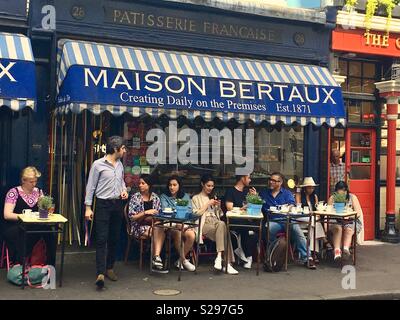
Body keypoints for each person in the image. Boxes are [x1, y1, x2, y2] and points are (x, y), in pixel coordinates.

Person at [85, 136, 129, 289]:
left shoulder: (120, 165)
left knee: (114, 237)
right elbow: (90, 186)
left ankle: (110, 267)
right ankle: (100, 273)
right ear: (116, 149)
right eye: (123, 148)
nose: (124, 150)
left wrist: (124, 191)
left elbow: (122, 181)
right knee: (101, 238)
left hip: (117, 204)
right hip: (103, 204)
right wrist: (88, 207)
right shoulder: (98, 165)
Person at [1, 166, 56, 266]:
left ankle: (49, 264)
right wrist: (24, 216)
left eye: (35, 181)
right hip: (15, 225)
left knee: (50, 231)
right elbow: (7, 214)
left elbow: (44, 209)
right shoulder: (14, 192)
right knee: (23, 232)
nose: (34, 184)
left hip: (34, 224)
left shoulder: (39, 192)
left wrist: (46, 209)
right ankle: (20, 263)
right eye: (31, 182)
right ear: (23, 180)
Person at [260, 172, 316, 269]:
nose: (271, 182)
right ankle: (272, 256)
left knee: (297, 231)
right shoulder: (264, 193)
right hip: (273, 220)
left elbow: (292, 204)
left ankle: (307, 258)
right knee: (269, 229)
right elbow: (257, 203)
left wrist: (288, 207)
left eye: (274, 181)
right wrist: (254, 197)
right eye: (270, 180)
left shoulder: (286, 193)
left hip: (287, 219)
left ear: (280, 182)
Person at [192, 175, 238, 275]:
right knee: (224, 228)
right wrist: (208, 204)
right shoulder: (196, 198)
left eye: (212, 186)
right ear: (202, 185)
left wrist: (218, 207)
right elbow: (196, 214)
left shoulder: (213, 197)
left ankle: (219, 257)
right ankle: (227, 263)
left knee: (222, 225)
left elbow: (220, 215)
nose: (210, 188)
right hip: (204, 223)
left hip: (216, 222)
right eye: (208, 185)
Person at [128, 174, 166, 273]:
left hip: (153, 225)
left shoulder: (155, 198)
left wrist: (153, 217)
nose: (140, 185)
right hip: (138, 226)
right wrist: (145, 213)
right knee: (158, 229)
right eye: (139, 183)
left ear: (149, 185)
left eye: (143, 183)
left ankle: (156, 258)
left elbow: (159, 214)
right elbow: (132, 217)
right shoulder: (135, 197)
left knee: (159, 227)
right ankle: (156, 258)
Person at [159, 176, 196, 272]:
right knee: (178, 232)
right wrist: (178, 213)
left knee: (191, 235)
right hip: (170, 225)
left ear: (179, 186)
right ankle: (184, 260)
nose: (172, 187)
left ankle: (179, 260)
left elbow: (189, 210)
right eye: (170, 185)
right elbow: (165, 210)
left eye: (174, 185)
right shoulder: (164, 196)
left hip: (184, 224)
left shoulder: (185, 196)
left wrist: (180, 218)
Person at [224, 175, 258, 269]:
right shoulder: (231, 191)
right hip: (234, 220)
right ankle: (248, 257)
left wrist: (255, 197)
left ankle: (245, 254)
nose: (250, 180)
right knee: (248, 228)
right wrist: (243, 208)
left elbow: (255, 208)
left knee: (255, 230)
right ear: (242, 178)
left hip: (246, 221)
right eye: (249, 178)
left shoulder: (248, 192)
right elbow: (229, 208)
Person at [327, 181, 363, 263]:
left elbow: (358, 213)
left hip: (350, 221)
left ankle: (345, 249)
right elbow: (328, 212)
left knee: (349, 229)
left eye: (343, 193)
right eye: (338, 193)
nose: (341, 195)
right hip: (335, 220)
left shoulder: (352, 197)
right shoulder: (332, 198)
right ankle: (337, 251)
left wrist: (349, 216)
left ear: (346, 191)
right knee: (338, 228)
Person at [295, 177, 327, 258]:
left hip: (311, 221)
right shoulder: (299, 195)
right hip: (301, 219)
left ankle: (312, 252)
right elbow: (298, 208)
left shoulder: (314, 196)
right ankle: (324, 240)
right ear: (305, 188)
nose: (311, 189)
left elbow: (317, 209)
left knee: (313, 226)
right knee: (314, 221)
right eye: (309, 187)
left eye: (312, 187)